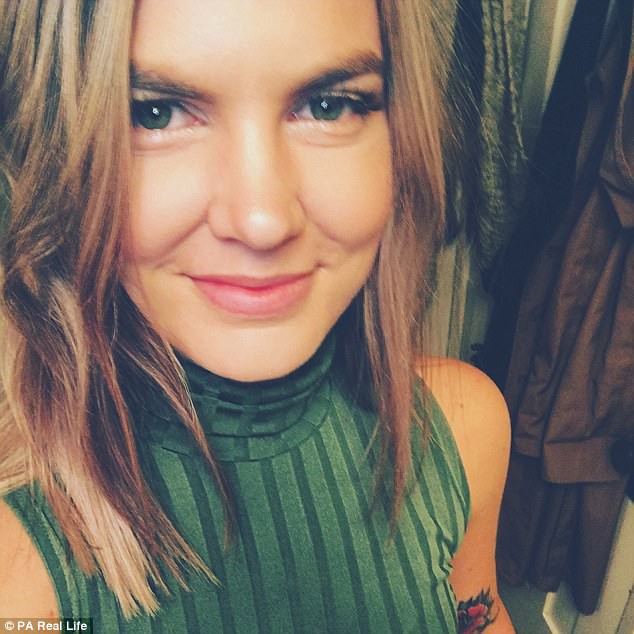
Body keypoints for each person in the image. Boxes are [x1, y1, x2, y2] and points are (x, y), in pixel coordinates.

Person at [0, 1, 514, 632]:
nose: (263, 221)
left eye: (329, 106)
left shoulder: (462, 429)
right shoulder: (14, 558)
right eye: (154, 113)